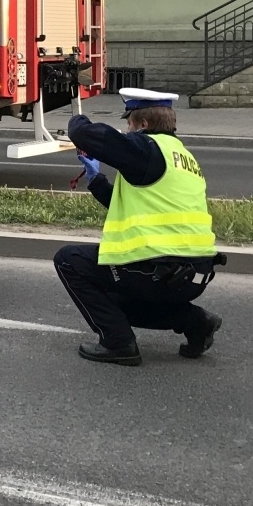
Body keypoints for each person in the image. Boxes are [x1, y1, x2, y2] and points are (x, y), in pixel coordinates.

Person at [53, 88, 225, 366]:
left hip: (159, 270)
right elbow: (137, 207)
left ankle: (118, 343)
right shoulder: (181, 156)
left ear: (143, 125)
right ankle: (196, 321)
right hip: (194, 273)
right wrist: (96, 179)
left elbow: (85, 134)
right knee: (114, 299)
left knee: (68, 261)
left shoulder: (147, 148)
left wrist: (77, 118)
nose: (126, 130)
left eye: (129, 124)